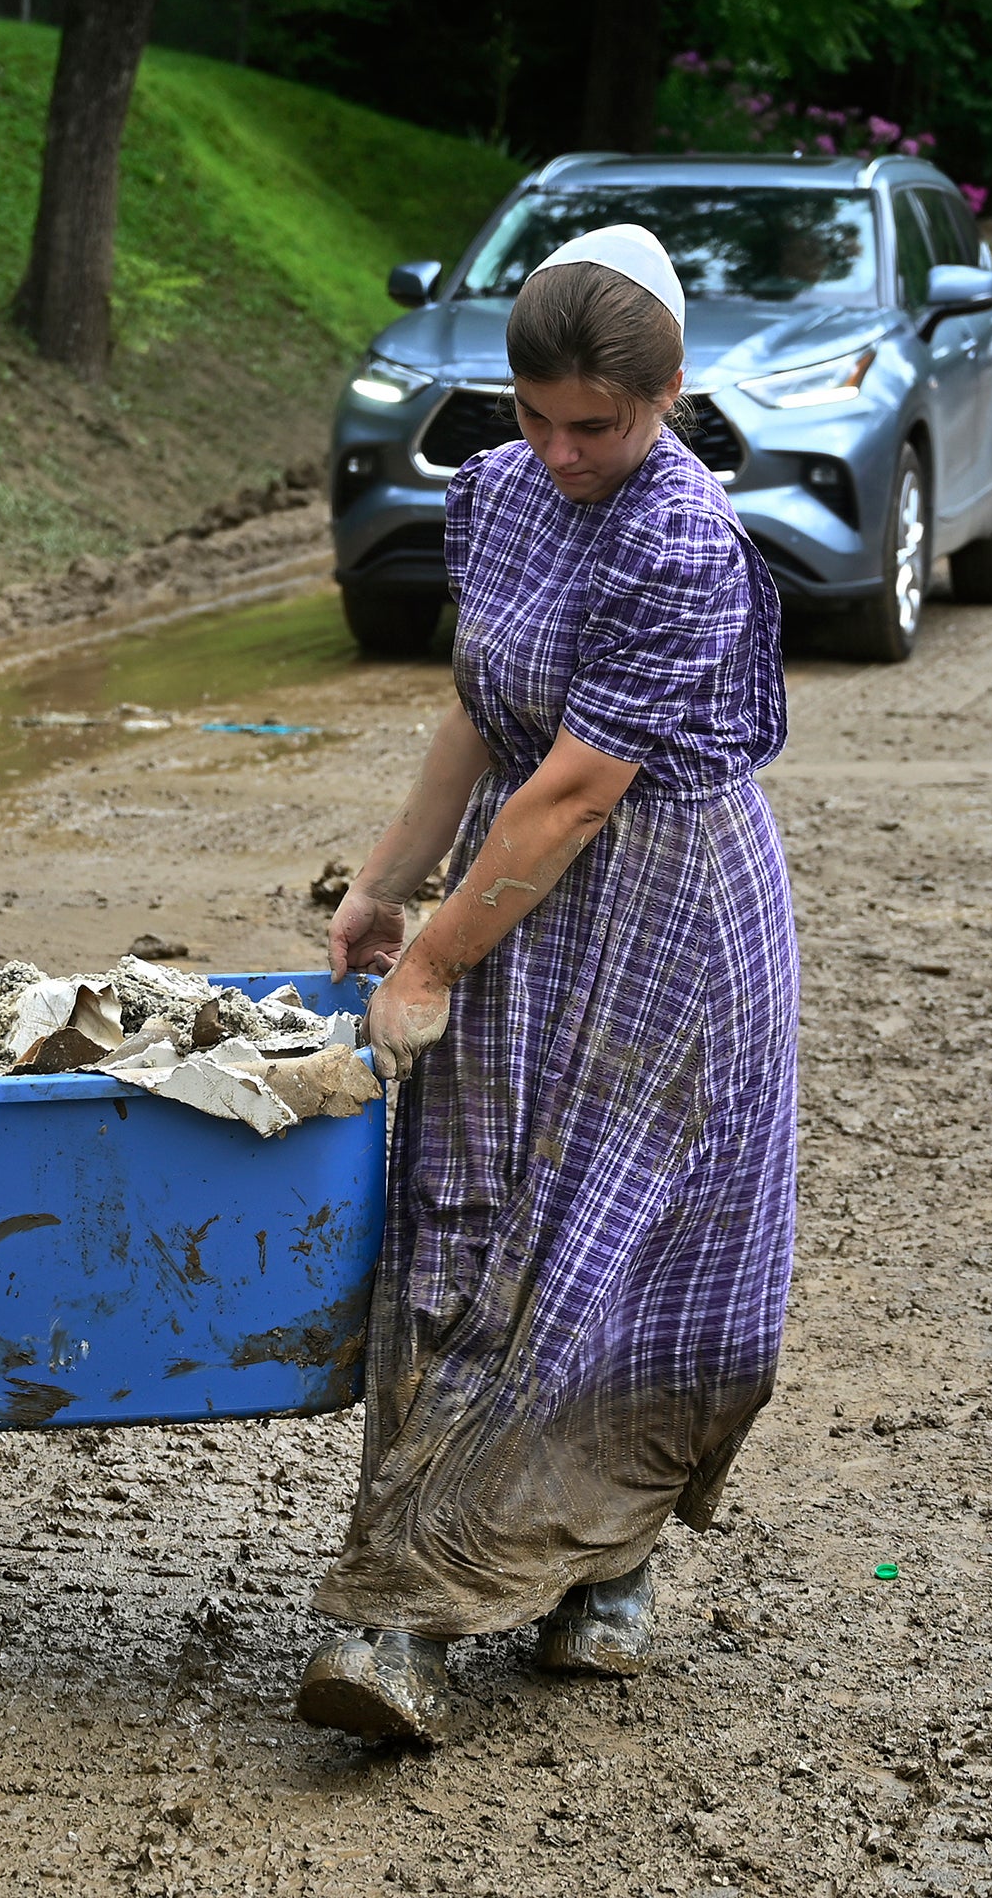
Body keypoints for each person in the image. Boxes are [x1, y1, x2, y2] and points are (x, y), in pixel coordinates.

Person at [300, 224, 798, 1743]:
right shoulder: (499, 494)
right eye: (537, 418)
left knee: (627, 1242)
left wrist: (440, 956)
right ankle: (412, 1610)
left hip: (670, 917)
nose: (566, 452)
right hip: (526, 897)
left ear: (671, 396)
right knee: (467, 1230)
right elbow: (483, 716)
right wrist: (389, 884)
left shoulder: (683, 537)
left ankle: (604, 1562)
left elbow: (582, 785)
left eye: (603, 425)